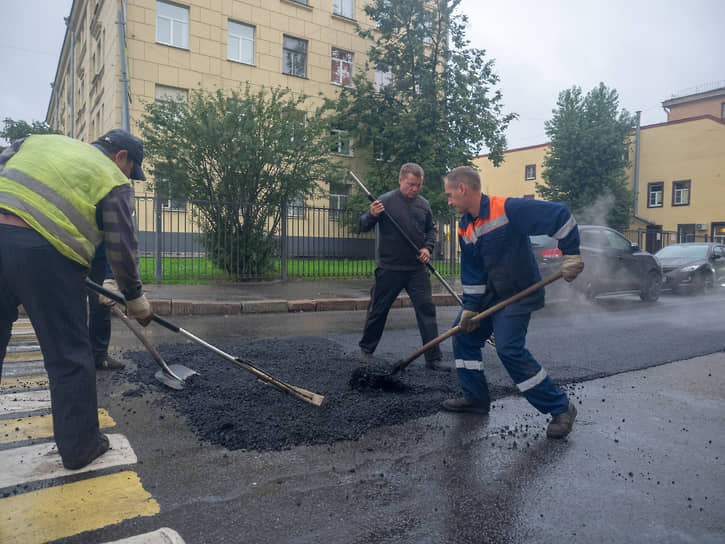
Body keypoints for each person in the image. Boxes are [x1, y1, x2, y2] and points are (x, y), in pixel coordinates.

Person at [0, 129, 153, 469]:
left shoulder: (37, 141)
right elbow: (121, 247)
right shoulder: (112, 178)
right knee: (69, 353)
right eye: (132, 169)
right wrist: (134, 296)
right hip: (42, 253)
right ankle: (81, 446)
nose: (129, 176)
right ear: (122, 158)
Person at [441, 166, 584, 439]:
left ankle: (561, 408)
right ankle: (476, 399)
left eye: (450, 194)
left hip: (519, 292)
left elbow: (560, 214)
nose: (449, 201)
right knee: (463, 335)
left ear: (463, 188)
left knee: (508, 349)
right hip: (489, 296)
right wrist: (470, 308)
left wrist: (571, 253)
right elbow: (472, 273)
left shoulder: (507, 209)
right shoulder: (464, 226)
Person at [358, 162, 446, 371]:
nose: (414, 189)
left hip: (416, 270)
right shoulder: (385, 202)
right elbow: (362, 226)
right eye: (410, 184)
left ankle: (433, 358)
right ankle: (366, 352)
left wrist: (427, 248)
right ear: (401, 180)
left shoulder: (423, 204)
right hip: (389, 268)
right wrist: (371, 214)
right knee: (378, 311)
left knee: (427, 310)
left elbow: (431, 231)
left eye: (418, 185)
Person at [88, 244, 125, 370]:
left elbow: (112, 238)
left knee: (100, 306)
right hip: (69, 255)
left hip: (99, 257)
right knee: (71, 308)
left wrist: (110, 278)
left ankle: (99, 356)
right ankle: (74, 356)